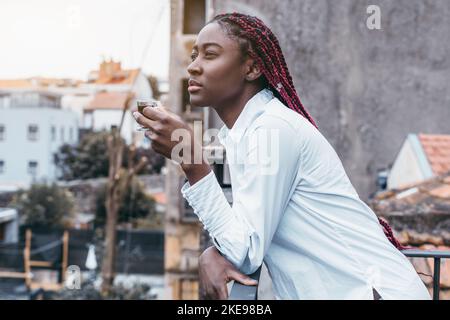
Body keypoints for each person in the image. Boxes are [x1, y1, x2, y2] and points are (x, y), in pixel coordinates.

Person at [133, 12, 431, 300]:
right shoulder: (249, 132)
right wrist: (215, 250)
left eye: (210, 55)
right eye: (194, 56)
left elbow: (246, 251)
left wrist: (192, 162)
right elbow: (248, 229)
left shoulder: (271, 129)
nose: (193, 67)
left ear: (251, 68)